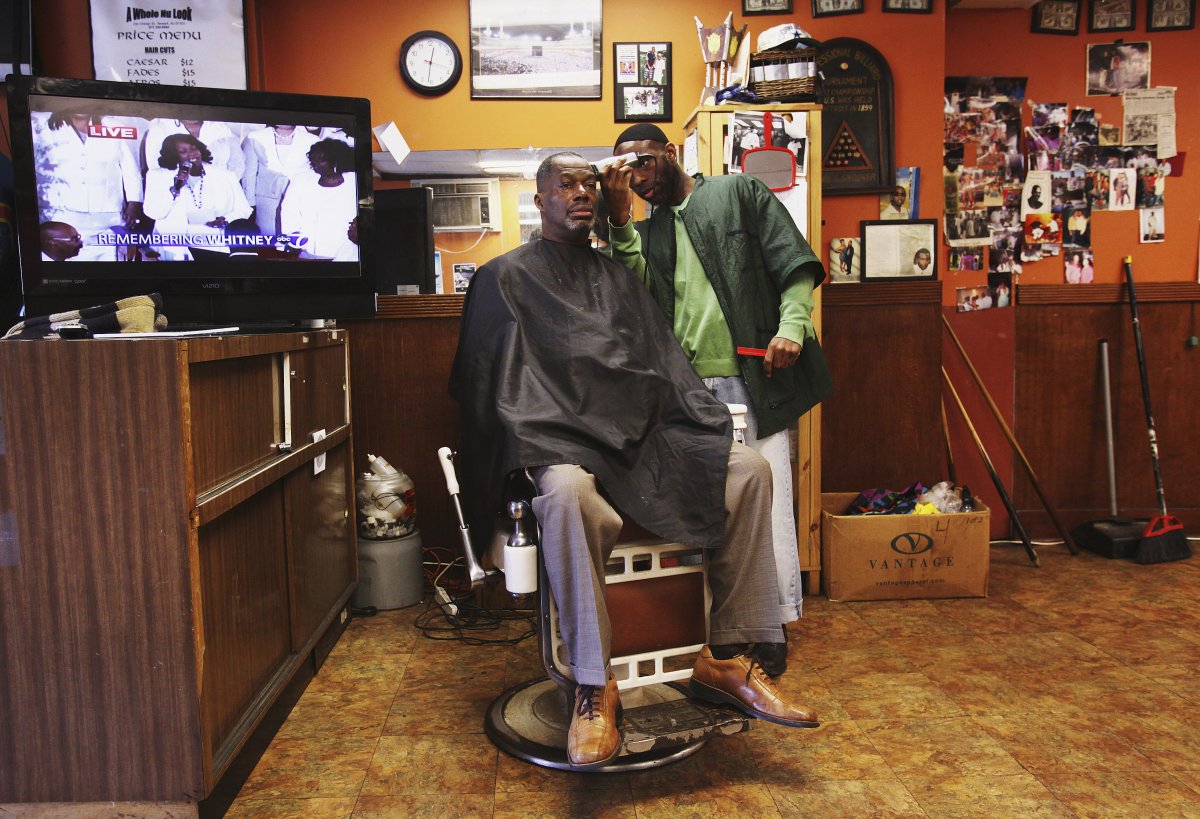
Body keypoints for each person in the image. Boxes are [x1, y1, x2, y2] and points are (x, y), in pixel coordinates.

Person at [450, 152, 820, 769]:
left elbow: (657, 368)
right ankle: (594, 688)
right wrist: (550, 434)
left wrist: (683, 420)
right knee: (566, 494)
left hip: (636, 438)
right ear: (538, 201)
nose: (580, 194)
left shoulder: (618, 277)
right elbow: (495, 384)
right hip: (560, 444)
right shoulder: (503, 278)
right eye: (564, 185)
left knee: (748, 470)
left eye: (588, 185)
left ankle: (726, 656)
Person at [599, 123, 833, 677]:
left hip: (755, 381)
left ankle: (769, 629)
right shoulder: (649, 229)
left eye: (645, 163)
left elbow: (793, 263)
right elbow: (637, 292)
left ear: (672, 152)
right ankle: (720, 632)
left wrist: (793, 327)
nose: (640, 179)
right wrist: (618, 222)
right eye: (627, 173)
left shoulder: (737, 193)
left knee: (766, 505)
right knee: (708, 509)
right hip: (689, 393)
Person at [34, 105, 144, 261]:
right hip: (61, 219)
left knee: (107, 276)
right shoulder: (41, 127)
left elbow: (131, 168)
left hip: (107, 220)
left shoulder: (115, 127)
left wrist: (135, 202)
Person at [142, 133, 253, 259]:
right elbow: (154, 213)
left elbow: (244, 209)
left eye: (194, 148)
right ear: (173, 155)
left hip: (215, 247)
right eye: (183, 151)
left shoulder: (225, 175)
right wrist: (174, 189)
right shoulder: (158, 176)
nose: (192, 153)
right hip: (174, 249)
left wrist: (225, 219)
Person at [279, 139, 359, 259]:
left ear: (335, 160)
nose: (315, 164)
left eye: (321, 160)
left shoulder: (355, 182)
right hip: (308, 252)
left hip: (347, 253)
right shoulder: (301, 181)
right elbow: (289, 213)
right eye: (313, 160)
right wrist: (293, 239)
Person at [242, 124, 321, 235]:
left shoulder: (312, 140)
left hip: (300, 199)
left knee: (294, 236)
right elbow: (249, 172)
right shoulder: (255, 137)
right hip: (266, 200)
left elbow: (314, 174)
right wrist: (250, 203)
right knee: (268, 239)